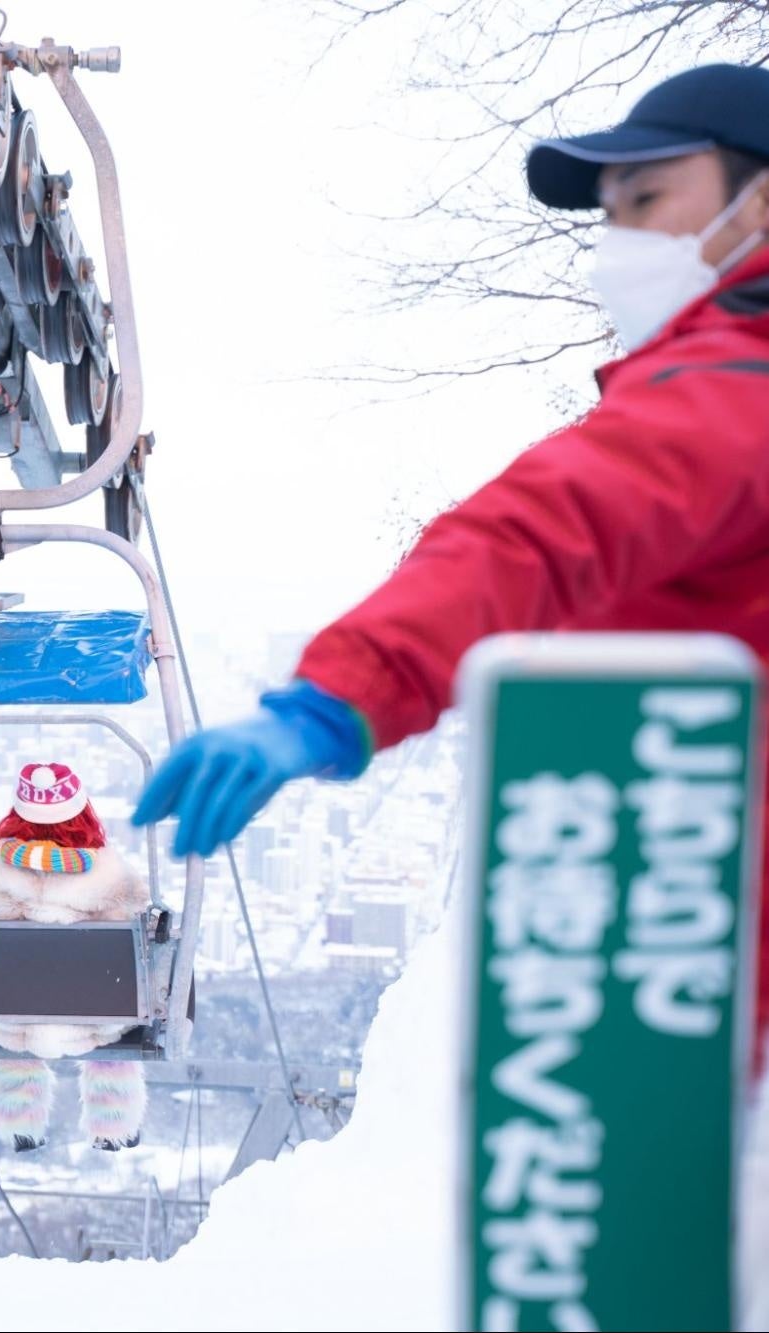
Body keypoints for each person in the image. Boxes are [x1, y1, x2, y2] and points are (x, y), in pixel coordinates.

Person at [130, 63, 769, 1067]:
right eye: (606, 216)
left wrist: (333, 699)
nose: (618, 245)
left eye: (646, 200)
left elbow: (534, 535)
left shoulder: (730, 389)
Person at [0, 763, 150, 1152]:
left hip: (12, 1017)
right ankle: (112, 1123)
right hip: (90, 1019)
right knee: (110, 1012)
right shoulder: (111, 873)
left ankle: (20, 1123)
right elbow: (134, 928)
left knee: (15, 1009)